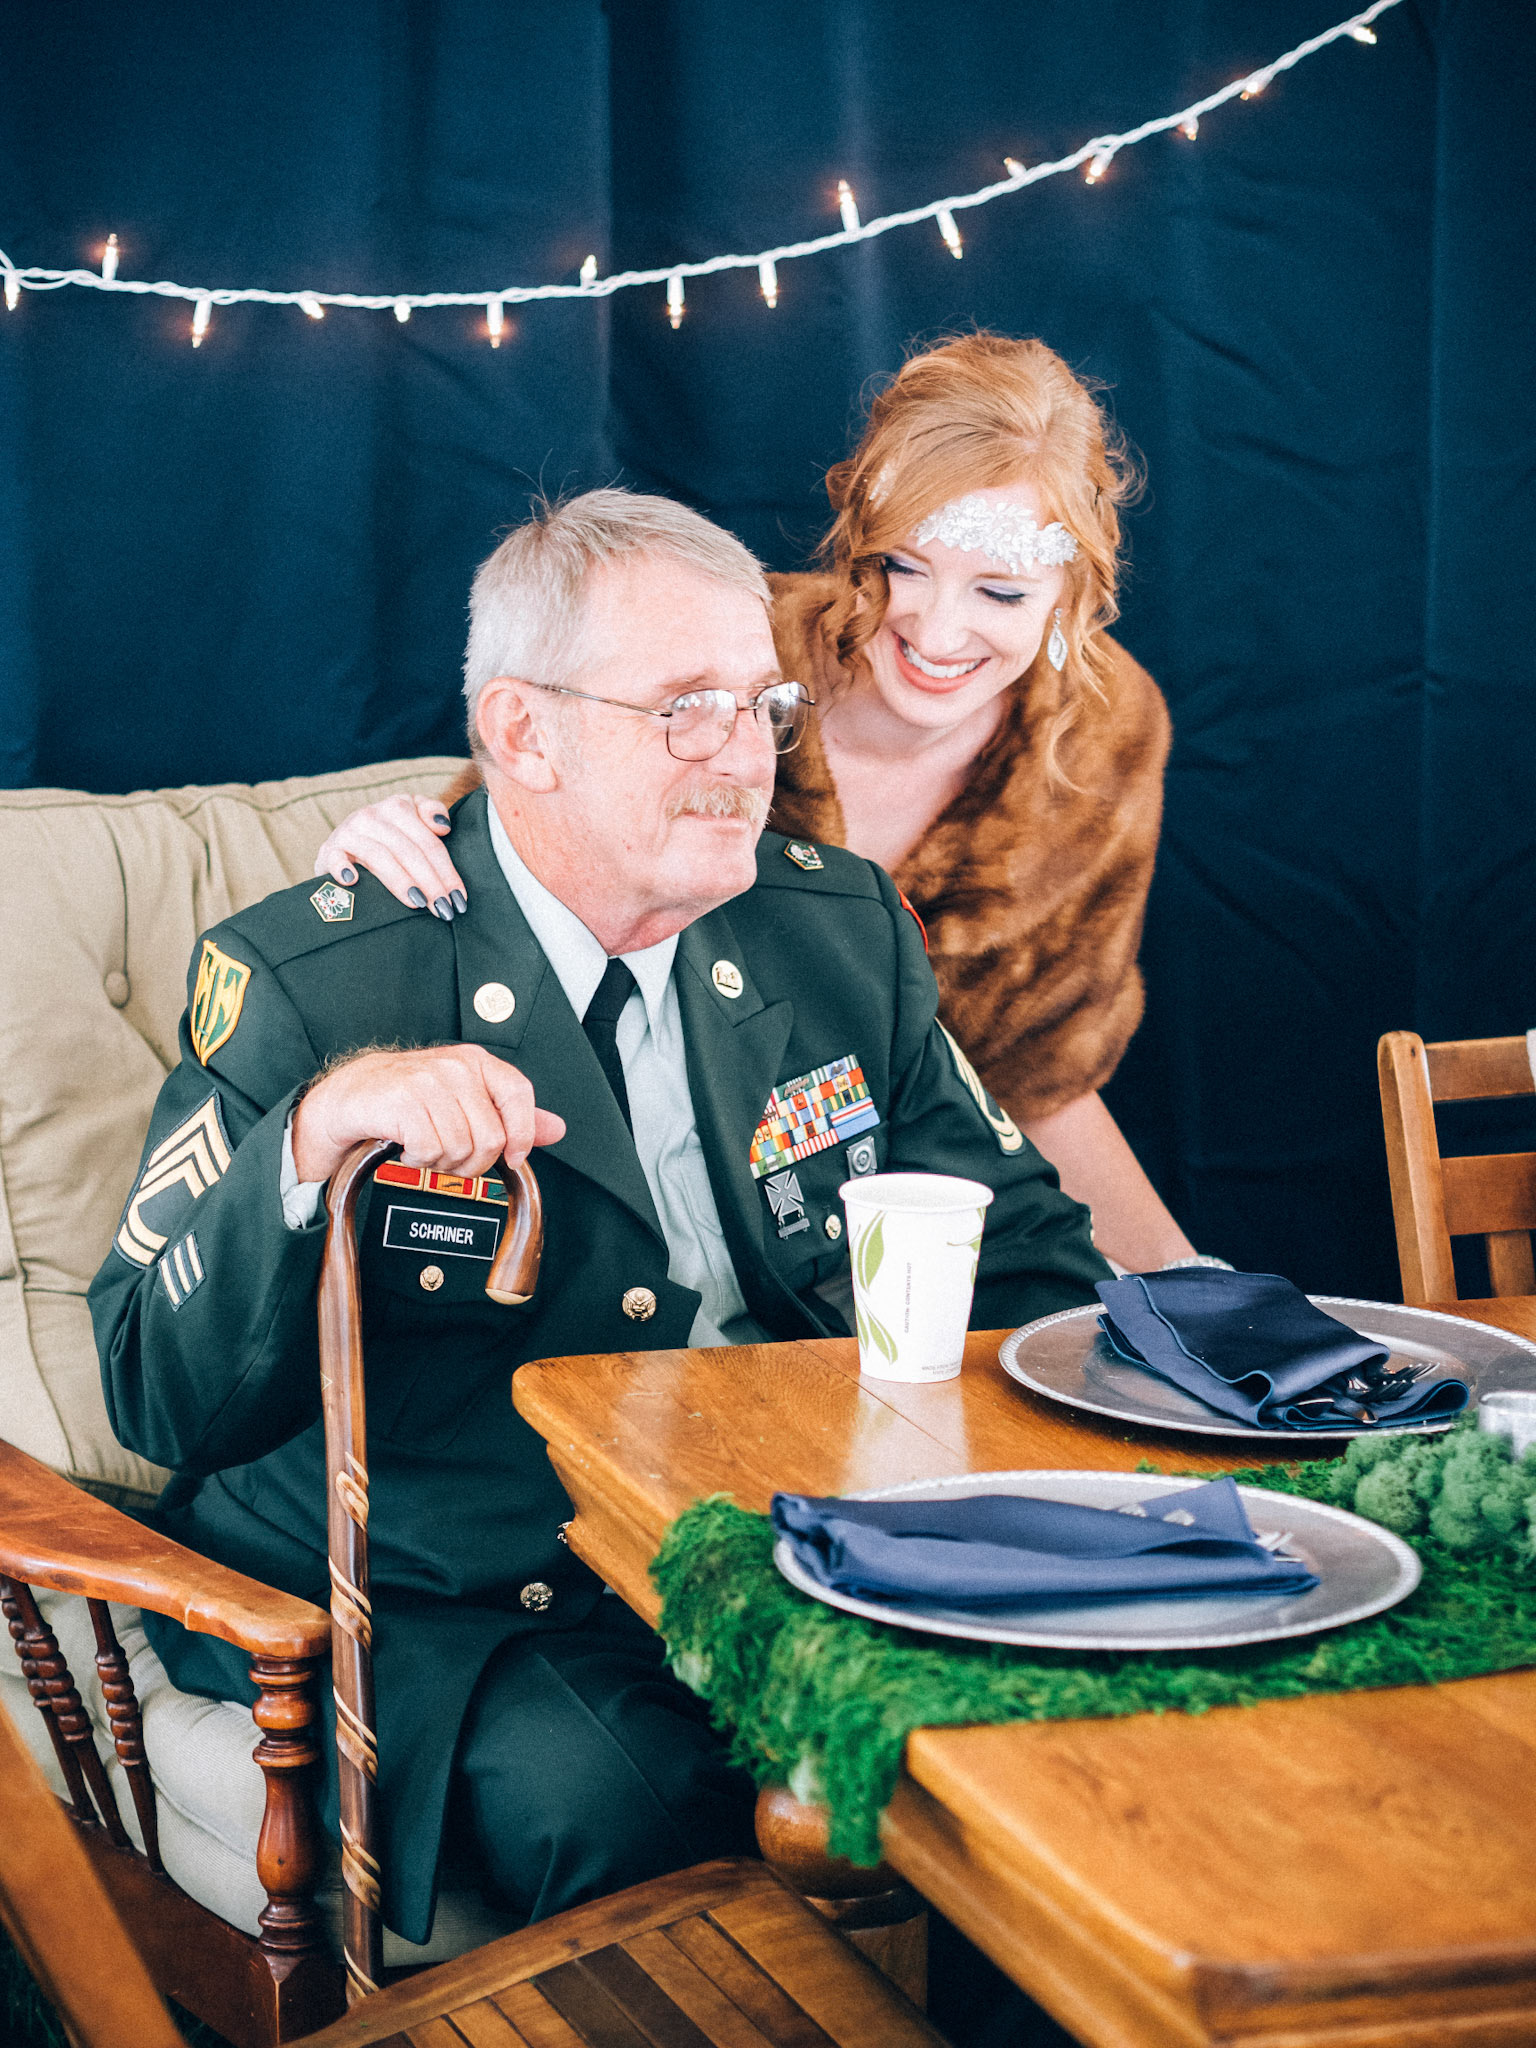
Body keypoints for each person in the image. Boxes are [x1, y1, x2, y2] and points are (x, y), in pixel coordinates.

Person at [90, 489, 1110, 1950]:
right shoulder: (322, 983)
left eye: (759, 705)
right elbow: (151, 1385)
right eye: (685, 710)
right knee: (640, 1799)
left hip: (790, 1534)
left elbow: (1027, 1259)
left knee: (1065, 1758)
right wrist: (313, 1136)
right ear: (523, 734)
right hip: (470, 1597)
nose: (744, 756)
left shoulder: (836, 930)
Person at [317, 333, 1212, 1275]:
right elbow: (524, 828)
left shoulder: (1107, 733)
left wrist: (1192, 1287)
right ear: (861, 538)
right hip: (635, 1137)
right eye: (905, 568)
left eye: (1000, 591)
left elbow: (1035, 1071)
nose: (940, 631)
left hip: (914, 1176)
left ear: (1072, 594)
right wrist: (405, 837)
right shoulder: (734, 649)